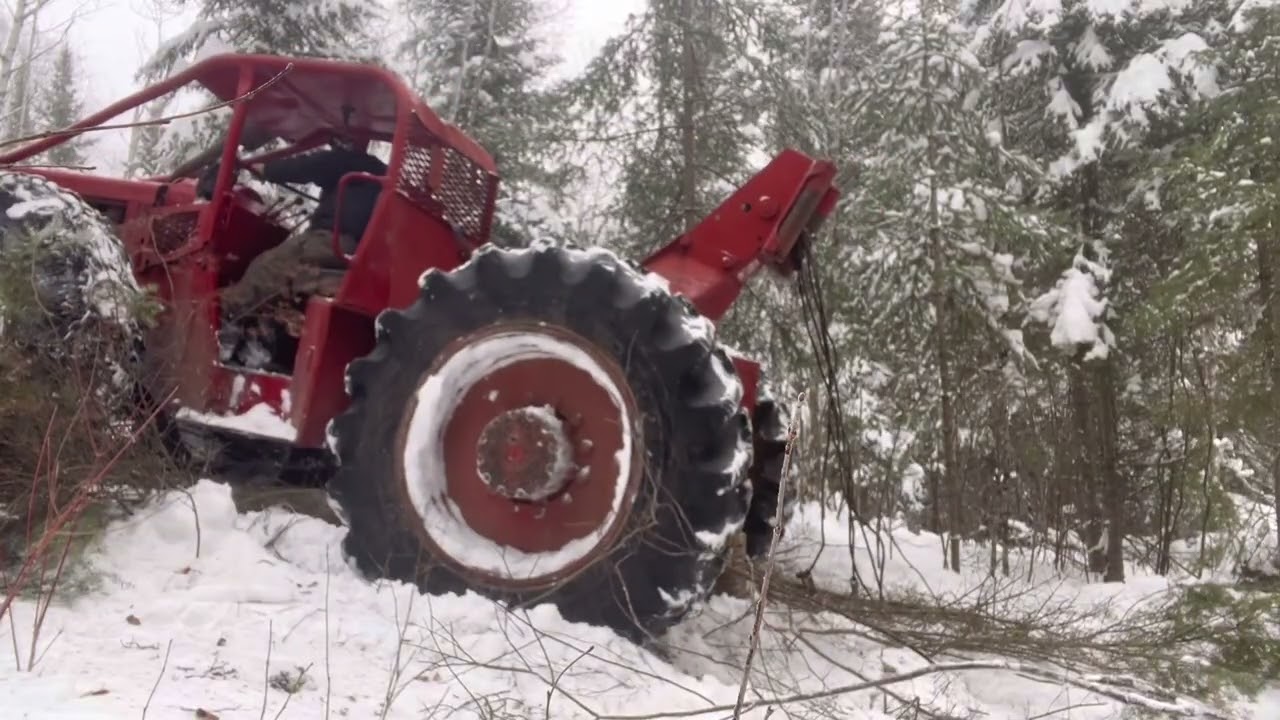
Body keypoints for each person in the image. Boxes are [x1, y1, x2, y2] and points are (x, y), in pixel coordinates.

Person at [218, 135, 388, 323]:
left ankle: (214, 319)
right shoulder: (379, 173)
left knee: (265, 268)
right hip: (358, 252)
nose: (332, 147)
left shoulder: (351, 160)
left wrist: (267, 169)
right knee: (285, 285)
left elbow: (312, 165)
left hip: (332, 241)